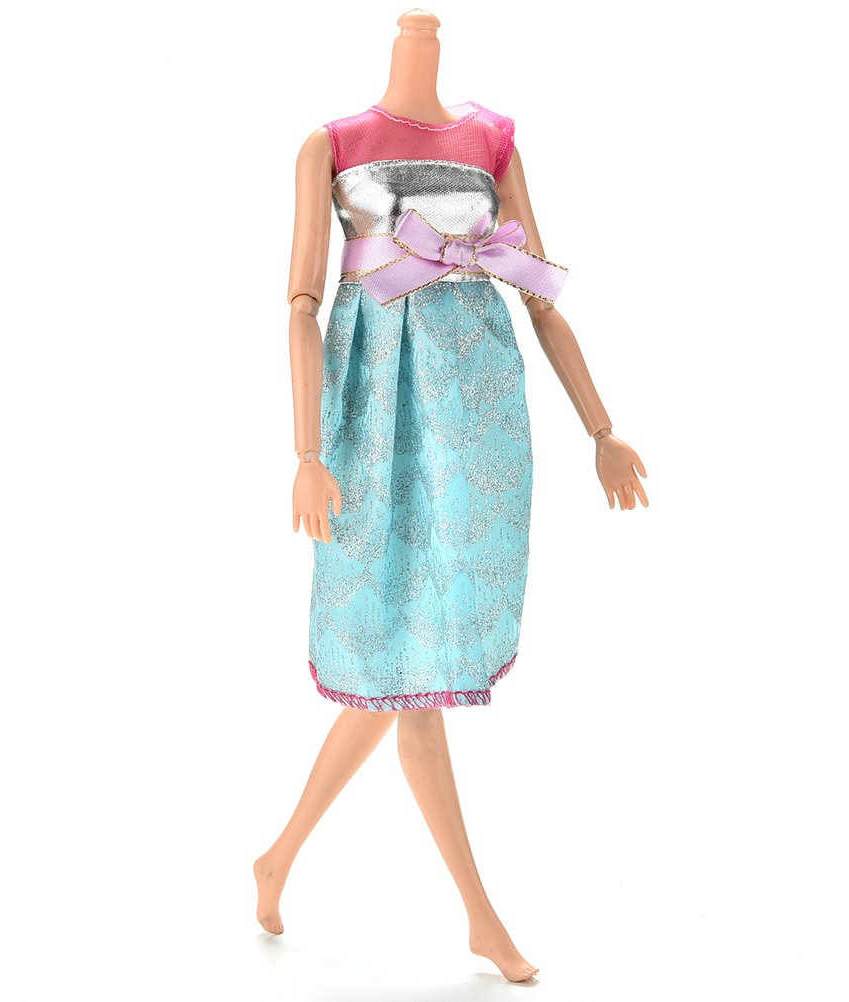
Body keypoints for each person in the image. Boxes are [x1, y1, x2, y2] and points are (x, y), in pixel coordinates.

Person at [255, 9, 648, 983]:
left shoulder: (493, 139)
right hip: (372, 412)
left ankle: (280, 858)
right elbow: (301, 303)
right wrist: (307, 451)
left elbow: (537, 293)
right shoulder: (331, 143)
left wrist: (602, 430)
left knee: (413, 666)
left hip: (476, 414)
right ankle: (477, 914)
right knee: (401, 666)